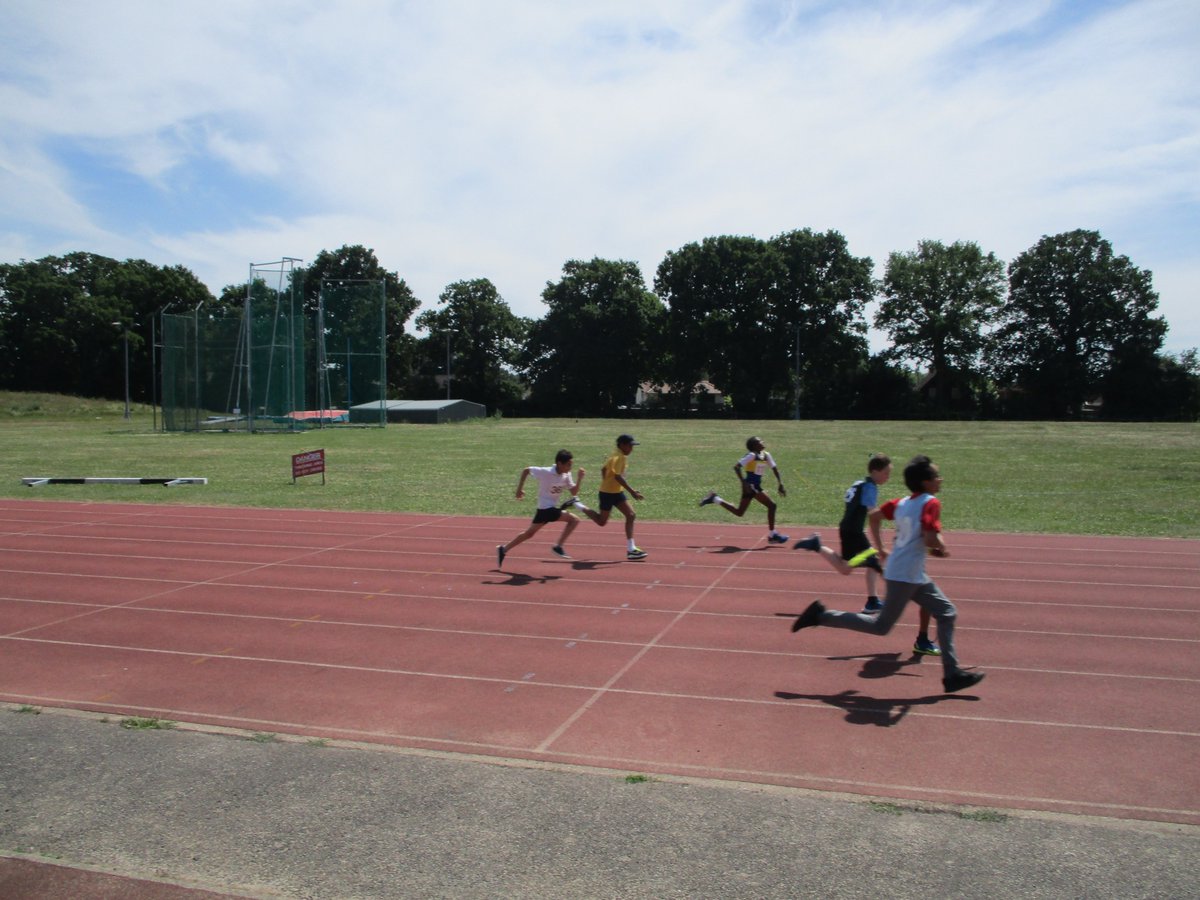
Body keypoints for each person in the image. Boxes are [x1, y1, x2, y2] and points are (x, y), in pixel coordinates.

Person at [790, 455, 984, 694]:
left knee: (947, 612)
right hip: (905, 574)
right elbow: (930, 536)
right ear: (925, 482)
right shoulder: (931, 502)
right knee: (880, 626)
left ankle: (952, 675)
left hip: (910, 573)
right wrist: (940, 547)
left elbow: (874, 517)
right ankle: (821, 616)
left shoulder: (901, 503)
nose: (940, 479)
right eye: (936, 476)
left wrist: (882, 546)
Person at [794, 453, 940, 656]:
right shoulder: (870, 487)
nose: (888, 477)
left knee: (846, 568)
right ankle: (876, 600)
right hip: (853, 531)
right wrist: (898, 519)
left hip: (849, 528)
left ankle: (818, 546)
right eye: (887, 473)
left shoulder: (859, 483)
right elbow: (873, 514)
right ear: (875, 471)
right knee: (877, 562)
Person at [496, 449, 586, 569]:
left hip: (546, 510)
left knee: (529, 534)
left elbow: (574, 492)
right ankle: (558, 546)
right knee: (574, 520)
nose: (570, 467)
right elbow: (526, 470)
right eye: (568, 465)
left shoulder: (566, 475)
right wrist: (519, 489)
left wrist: (580, 479)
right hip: (545, 508)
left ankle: (503, 549)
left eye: (571, 465)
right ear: (559, 463)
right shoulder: (546, 472)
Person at [564, 434, 646, 560]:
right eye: (630, 446)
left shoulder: (617, 455)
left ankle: (631, 549)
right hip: (607, 494)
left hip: (616, 492)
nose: (632, 449)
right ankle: (576, 504)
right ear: (622, 445)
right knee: (602, 522)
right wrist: (632, 492)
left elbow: (603, 469)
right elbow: (617, 476)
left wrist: (606, 481)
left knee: (630, 515)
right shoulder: (618, 457)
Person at [699, 436, 789, 544]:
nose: (762, 442)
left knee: (739, 512)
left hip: (755, 486)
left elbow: (775, 469)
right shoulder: (751, 455)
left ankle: (715, 499)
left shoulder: (766, 455)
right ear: (754, 445)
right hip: (751, 486)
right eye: (759, 441)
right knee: (772, 505)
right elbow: (737, 467)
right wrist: (744, 482)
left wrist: (780, 483)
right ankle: (772, 535)